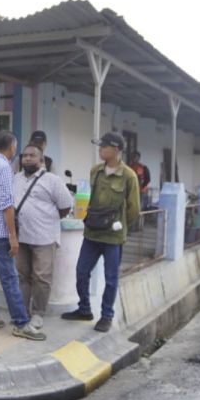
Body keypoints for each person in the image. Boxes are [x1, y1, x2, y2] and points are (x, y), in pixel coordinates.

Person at [0, 130, 46, 340]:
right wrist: (13, 237)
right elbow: (7, 205)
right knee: (10, 279)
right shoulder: (4, 168)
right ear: (12, 146)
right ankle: (21, 323)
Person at [63, 132, 141, 333]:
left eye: (103, 147)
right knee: (81, 272)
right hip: (92, 233)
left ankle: (106, 316)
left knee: (111, 278)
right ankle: (84, 309)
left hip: (113, 237)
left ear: (115, 149)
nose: (100, 150)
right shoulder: (95, 171)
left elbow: (134, 210)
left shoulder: (129, 176)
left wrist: (120, 225)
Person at [13, 145, 74, 330]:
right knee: (23, 276)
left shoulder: (52, 180)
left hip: (44, 237)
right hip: (21, 236)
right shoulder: (16, 178)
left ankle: (38, 313)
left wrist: (46, 220)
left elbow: (66, 206)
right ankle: (22, 312)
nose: (28, 159)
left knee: (42, 277)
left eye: (33, 156)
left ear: (41, 161)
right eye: (25, 156)